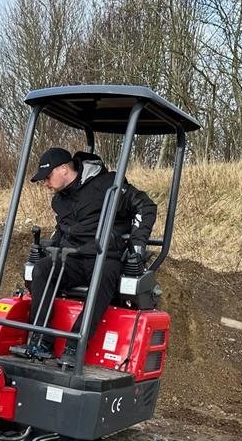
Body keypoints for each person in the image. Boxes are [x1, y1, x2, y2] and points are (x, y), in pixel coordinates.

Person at [13, 146, 157, 363]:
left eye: (47, 177)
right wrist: (47, 247)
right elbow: (63, 231)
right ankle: (41, 340)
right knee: (42, 269)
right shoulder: (59, 201)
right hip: (74, 258)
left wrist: (137, 246)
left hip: (105, 256)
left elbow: (145, 206)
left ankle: (75, 346)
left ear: (63, 169)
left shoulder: (109, 184)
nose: (45, 183)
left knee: (103, 274)